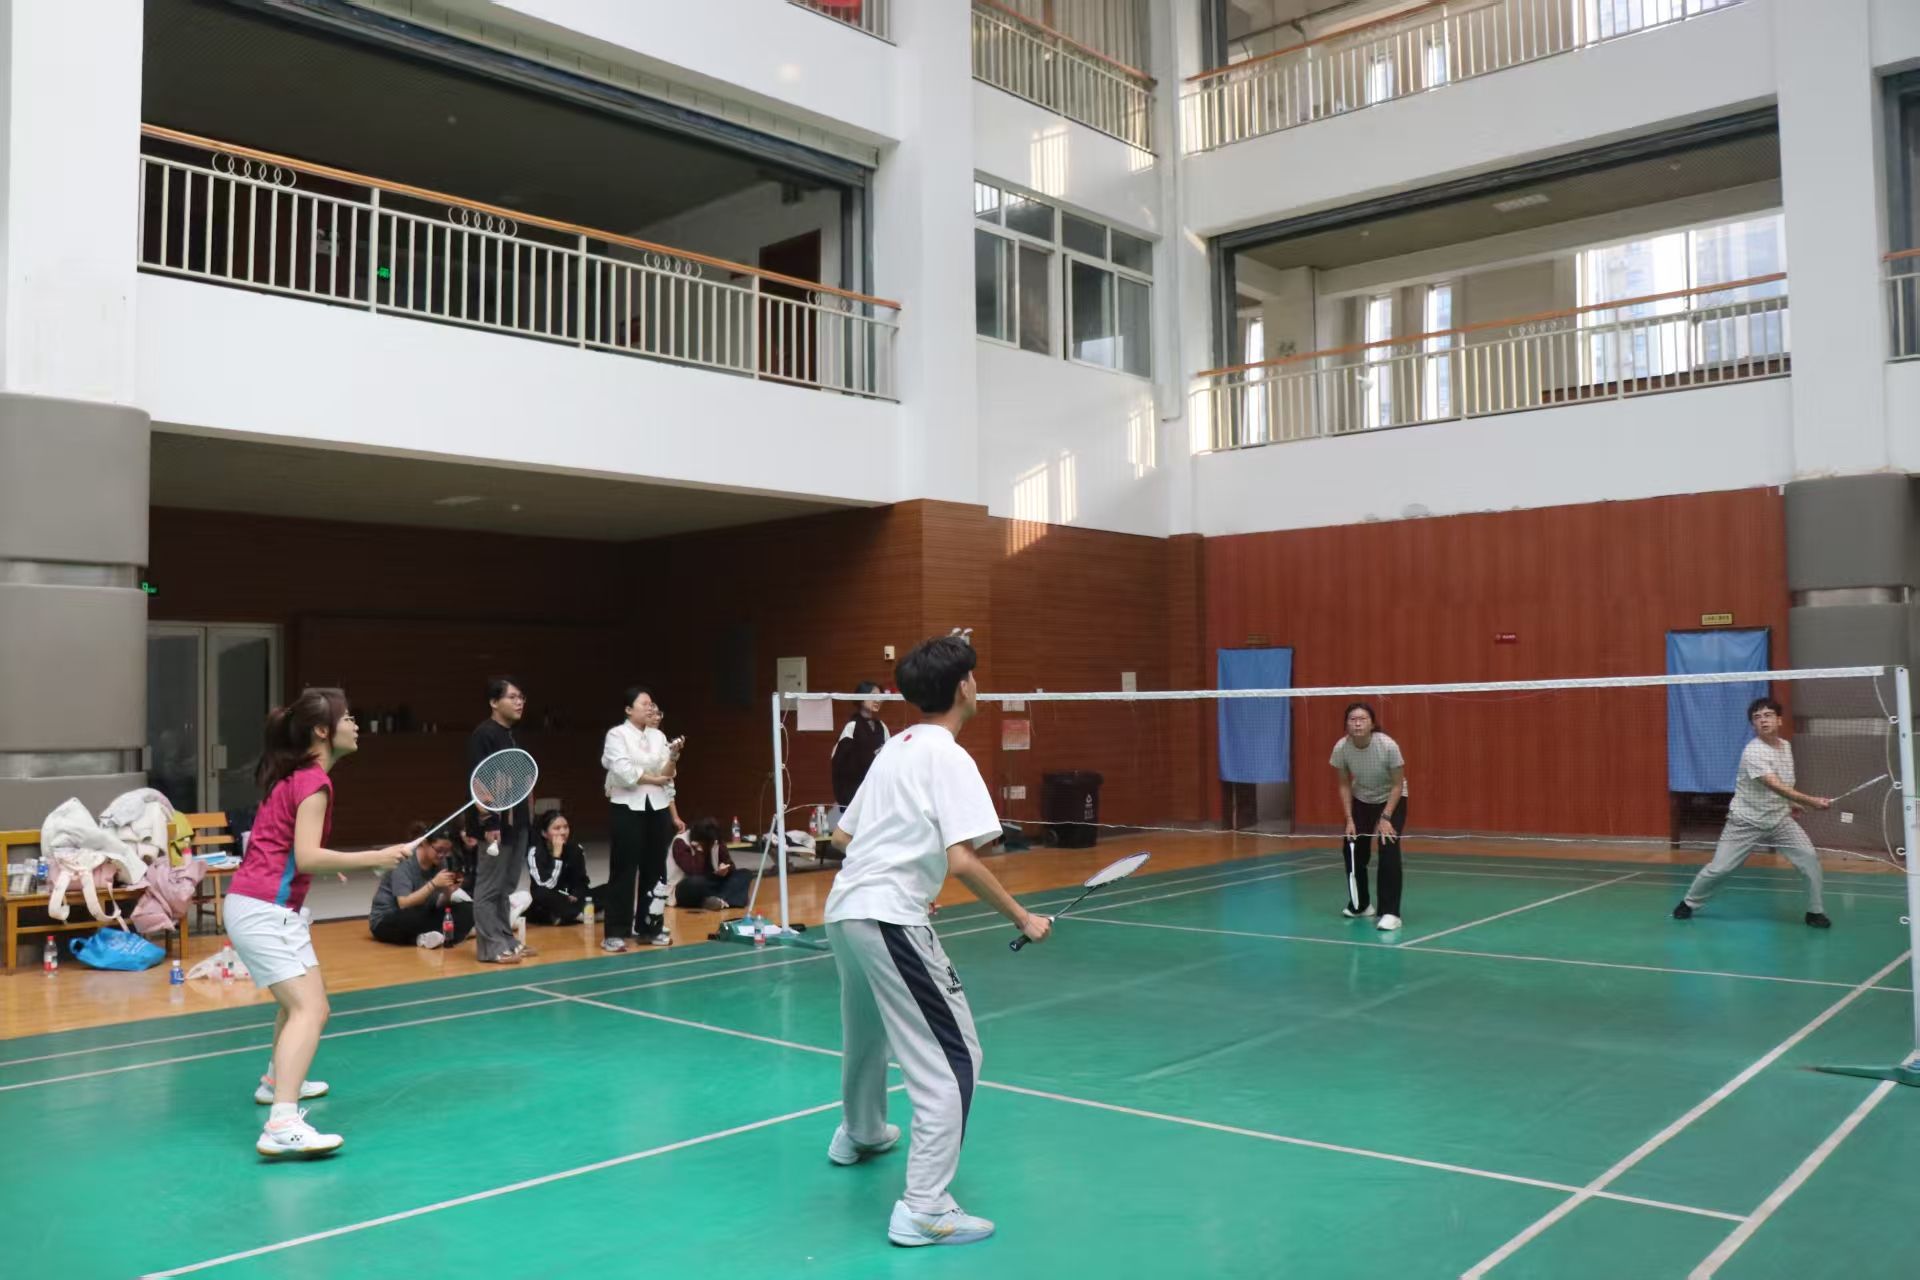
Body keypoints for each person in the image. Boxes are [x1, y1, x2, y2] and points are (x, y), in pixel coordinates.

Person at [824, 633, 1051, 1248]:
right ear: (962, 688)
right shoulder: (950, 757)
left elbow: (844, 838)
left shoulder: (893, 748)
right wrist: (1022, 918)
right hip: (890, 917)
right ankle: (924, 1207)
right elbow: (963, 860)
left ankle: (862, 1132)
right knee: (956, 1060)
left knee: (867, 1031)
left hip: (846, 910)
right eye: (974, 677)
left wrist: (903, 870)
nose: (977, 685)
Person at [223, 688, 408, 1158]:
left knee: (301, 1005)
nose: (356, 725)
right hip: (264, 909)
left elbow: (287, 848)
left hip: (261, 905)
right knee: (310, 1009)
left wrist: (327, 864)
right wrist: (374, 858)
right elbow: (306, 855)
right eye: (349, 718)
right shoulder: (314, 784)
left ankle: (276, 1082)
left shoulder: (295, 776)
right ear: (323, 731)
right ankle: (281, 1124)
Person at [1674, 697, 1832, 928]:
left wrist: (1791, 804)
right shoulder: (1753, 752)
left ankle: (1815, 912)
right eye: (1757, 718)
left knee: (1809, 859)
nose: (1763, 720)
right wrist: (1810, 801)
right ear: (1753, 725)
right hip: (1745, 821)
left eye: (1768, 715)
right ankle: (1688, 903)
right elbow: (1774, 784)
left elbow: (1785, 781)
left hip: (1779, 820)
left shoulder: (1785, 746)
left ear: (1779, 720)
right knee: (1720, 868)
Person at [601, 686, 684, 952]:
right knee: (624, 868)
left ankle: (650, 927)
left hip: (657, 806)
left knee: (656, 868)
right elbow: (624, 772)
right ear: (628, 709)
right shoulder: (617, 735)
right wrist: (655, 779)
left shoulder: (658, 736)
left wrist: (673, 756)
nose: (650, 708)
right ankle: (615, 932)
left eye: (652, 704)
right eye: (644, 704)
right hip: (627, 806)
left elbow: (667, 772)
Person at [468, 677, 535, 965]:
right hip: (495, 825)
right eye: (513, 697)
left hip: (517, 823)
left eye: (521, 697)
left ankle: (506, 939)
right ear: (494, 702)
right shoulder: (484, 734)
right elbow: (478, 782)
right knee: (489, 887)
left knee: (506, 887)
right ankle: (490, 947)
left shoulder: (512, 735)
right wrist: (489, 823)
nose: (519, 702)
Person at [1330, 700, 1407, 933]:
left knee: (1388, 847)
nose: (1357, 723)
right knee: (1352, 848)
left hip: (1391, 797)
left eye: (1362, 719)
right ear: (1346, 724)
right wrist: (1349, 819)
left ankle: (1390, 913)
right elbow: (1344, 784)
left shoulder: (1388, 746)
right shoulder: (1341, 748)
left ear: (1372, 724)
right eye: (1352, 719)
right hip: (1361, 797)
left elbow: (1397, 784)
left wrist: (1386, 817)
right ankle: (1361, 905)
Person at [369, 824, 473, 948]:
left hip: (423, 912)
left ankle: (430, 937)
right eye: (439, 850)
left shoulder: (441, 862)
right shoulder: (405, 861)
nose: (442, 855)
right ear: (424, 843)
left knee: (467, 909)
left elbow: (438, 904)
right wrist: (433, 884)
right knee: (412, 917)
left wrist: (448, 892)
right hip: (389, 918)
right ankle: (445, 935)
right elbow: (404, 904)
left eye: (446, 851)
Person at [526, 809, 595, 925]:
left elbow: (581, 880)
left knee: (607, 890)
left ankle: (566, 916)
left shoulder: (576, 849)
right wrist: (556, 857)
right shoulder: (535, 853)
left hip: (569, 899)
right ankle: (577, 915)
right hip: (549, 898)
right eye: (557, 828)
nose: (563, 832)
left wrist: (575, 894)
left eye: (565, 827)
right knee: (541, 895)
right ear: (544, 833)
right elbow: (547, 885)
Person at [670, 816, 755, 910]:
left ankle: (717, 900)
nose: (712, 846)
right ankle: (727, 898)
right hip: (686, 885)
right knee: (694, 883)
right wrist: (699, 850)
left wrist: (726, 870)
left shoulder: (714, 840)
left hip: (712, 880)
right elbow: (693, 871)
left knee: (744, 874)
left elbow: (730, 864)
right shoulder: (680, 842)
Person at [831, 681, 890, 810]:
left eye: (880, 697)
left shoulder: (882, 727)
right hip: (855, 793)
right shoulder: (852, 727)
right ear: (862, 698)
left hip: (877, 793)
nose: (878, 700)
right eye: (873, 696)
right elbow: (838, 761)